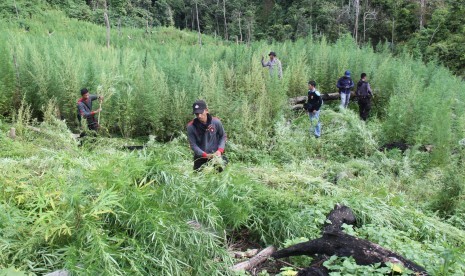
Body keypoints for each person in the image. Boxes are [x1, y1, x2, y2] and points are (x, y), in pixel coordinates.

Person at [187, 100, 228, 171]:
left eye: (201, 113)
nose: (199, 116)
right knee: (198, 179)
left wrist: (219, 150)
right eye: (196, 114)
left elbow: (223, 136)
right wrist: (205, 155)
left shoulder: (216, 122)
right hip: (200, 157)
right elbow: (193, 145)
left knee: (219, 177)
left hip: (216, 156)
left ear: (206, 110)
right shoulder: (191, 126)